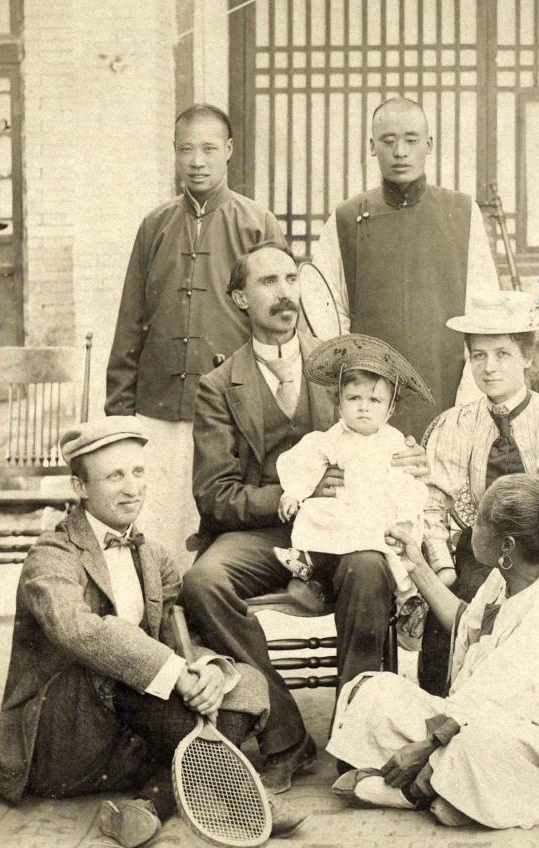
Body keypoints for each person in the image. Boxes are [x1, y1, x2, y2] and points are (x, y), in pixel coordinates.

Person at [0, 417, 302, 848]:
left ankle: (147, 806)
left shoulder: (153, 555)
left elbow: (179, 636)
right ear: (80, 488)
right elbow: (81, 631)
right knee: (118, 653)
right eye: (114, 476)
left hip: (129, 738)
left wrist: (206, 669)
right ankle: (242, 794)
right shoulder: (50, 556)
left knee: (244, 680)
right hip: (64, 740)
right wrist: (176, 674)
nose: (132, 488)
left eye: (138, 472)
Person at [183, 242, 430, 793]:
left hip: (348, 528)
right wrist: (289, 495)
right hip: (263, 532)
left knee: (369, 566)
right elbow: (215, 496)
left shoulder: (341, 368)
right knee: (203, 582)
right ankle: (286, 735)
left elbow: (385, 442)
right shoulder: (219, 386)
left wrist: (408, 460)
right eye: (268, 282)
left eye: (291, 279)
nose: (285, 292)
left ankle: (356, 738)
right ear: (240, 298)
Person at [325, 474, 539, 829]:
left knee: (474, 741)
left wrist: (424, 746)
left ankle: (413, 793)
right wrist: (417, 567)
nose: (471, 529)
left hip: (535, 748)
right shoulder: (507, 577)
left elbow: (494, 709)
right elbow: (465, 627)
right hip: (469, 716)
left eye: (480, 523)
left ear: (507, 545)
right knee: (369, 689)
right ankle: (453, 790)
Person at [417, 291, 539, 762]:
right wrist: (443, 565)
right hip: (483, 544)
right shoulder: (456, 424)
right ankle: (454, 730)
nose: (490, 368)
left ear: (527, 356)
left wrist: (538, 519)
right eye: (479, 355)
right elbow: (433, 501)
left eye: (503, 354)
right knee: (455, 614)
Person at [105, 104, 287, 551]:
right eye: (186, 149)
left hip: (230, 407)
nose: (197, 161)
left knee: (219, 531)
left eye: (208, 148)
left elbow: (281, 322)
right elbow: (131, 319)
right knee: (157, 528)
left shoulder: (255, 223)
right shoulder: (155, 226)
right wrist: (120, 409)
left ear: (227, 150)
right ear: (174, 153)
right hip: (158, 408)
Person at [307, 96, 501, 437]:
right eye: (388, 140)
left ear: (428, 144)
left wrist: (469, 397)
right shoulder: (346, 218)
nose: (400, 151)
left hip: (448, 383)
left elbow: (483, 310)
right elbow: (327, 315)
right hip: (370, 397)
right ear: (372, 146)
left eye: (411, 140)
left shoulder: (461, 211)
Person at [273, 334, 435, 646]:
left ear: (388, 411)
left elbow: (406, 483)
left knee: (393, 551)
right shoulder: (330, 439)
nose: (363, 408)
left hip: (379, 514)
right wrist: (293, 492)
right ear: (339, 403)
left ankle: (408, 601)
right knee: (318, 526)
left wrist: (403, 516)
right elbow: (305, 463)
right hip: (344, 512)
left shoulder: (394, 443)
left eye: (374, 401)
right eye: (354, 399)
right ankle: (311, 576)